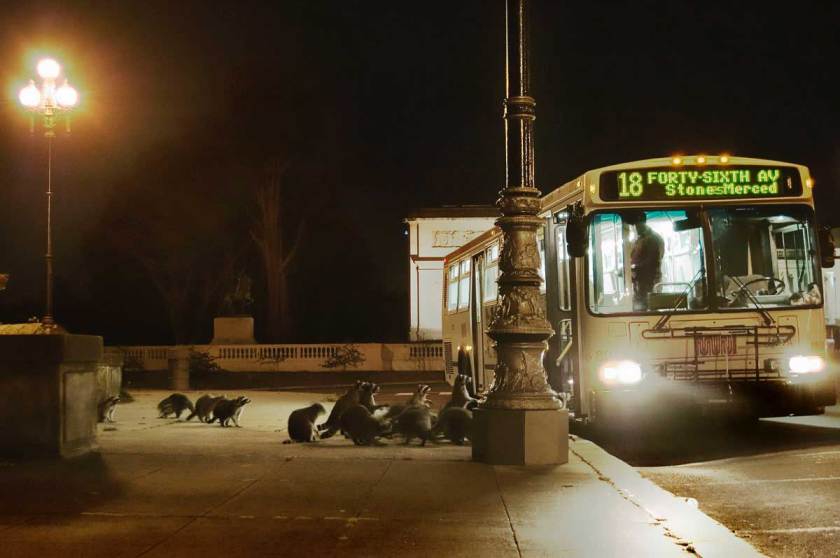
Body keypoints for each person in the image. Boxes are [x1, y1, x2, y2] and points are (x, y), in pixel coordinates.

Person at [629, 213, 664, 310]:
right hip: (639, 285)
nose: (634, 228)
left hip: (649, 284)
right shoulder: (638, 239)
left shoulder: (653, 239)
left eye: (636, 224)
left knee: (649, 312)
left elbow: (651, 262)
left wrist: (631, 268)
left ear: (642, 222)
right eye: (634, 225)